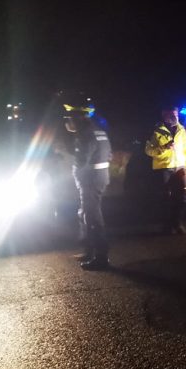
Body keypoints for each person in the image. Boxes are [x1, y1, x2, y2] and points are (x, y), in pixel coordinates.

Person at [63, 103, 112, 270]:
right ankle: (89, 250)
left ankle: (100, 257)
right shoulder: (100, 132)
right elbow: (109, 154)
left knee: (92, 217)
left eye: (70, 118)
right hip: (100, 176)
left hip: (90, 179)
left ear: (79, 118)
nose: (68, 122)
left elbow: (81, 160)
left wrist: (68, 158)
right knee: (85, 213)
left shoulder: (85, 135)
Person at [145, 105, 186, 234]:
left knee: (185, 196)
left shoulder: (181, 130)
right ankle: (167, 225)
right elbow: (149, 151)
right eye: (172, 115)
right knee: (166, 199)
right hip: (164, 168)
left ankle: (177, 222)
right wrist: (164, 147)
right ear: (164, 115)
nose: (175, 117)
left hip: (180, 167)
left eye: (176, 115)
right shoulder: (156, 130)